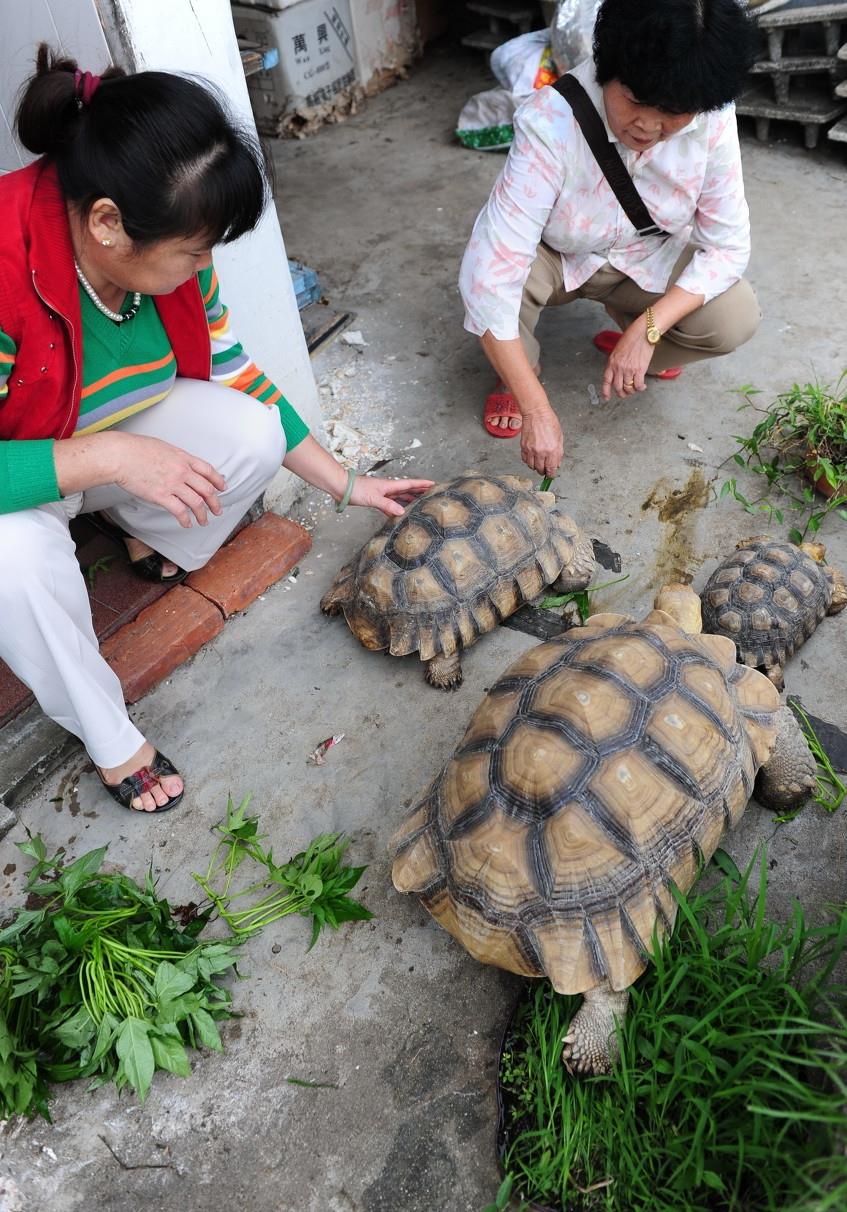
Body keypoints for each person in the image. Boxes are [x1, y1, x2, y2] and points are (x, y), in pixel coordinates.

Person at [0, 47, 432, 815]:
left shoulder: (162, 236)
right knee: (15, 564)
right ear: (107, 222)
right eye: (193, 253)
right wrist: (107, 454)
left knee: (252, 432)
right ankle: (107, 734)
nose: (202, 266)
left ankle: (130, 522)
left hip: (83, 436)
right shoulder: (4, 262)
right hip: (22, 465)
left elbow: (236, 372)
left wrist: (346, 483)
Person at [459, 0, 761, 479]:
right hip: (559, 257)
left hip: (646, 256)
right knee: (496, 282)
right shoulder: (550, 120)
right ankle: (521, 372)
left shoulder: (713, 116)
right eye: (635, 100)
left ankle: (631, 331)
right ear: (608, 70)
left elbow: (727, 246)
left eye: (671, 114)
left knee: (734, 316)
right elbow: (488, 278)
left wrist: (648, 328)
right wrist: (537, 410)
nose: (646, 125)